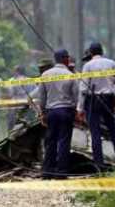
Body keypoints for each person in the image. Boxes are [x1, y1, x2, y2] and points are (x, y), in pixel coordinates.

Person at [76, 42, 115, 168]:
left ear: (91, 53)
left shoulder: (88, 65)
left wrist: (80, 108)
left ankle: (99, 163)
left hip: (93, 101)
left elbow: (83, 89)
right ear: (101, 52)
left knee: (95, 132)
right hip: (108, 100)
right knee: (113, 130)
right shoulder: (111, 63)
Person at [36, 49, 79, 179]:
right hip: (66, 111)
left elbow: (41, 97)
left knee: (50, 141)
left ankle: (47, 171)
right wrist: (77, 111)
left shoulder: (45, 75)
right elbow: (76, 96)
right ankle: (61, 172)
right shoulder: (70, 75)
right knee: (64, 142)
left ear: (55, 59)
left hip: (51, 112)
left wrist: (42, 112)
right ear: (66, 59)